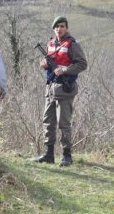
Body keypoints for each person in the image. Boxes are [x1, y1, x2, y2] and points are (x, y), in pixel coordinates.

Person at [34, 16, 87, 166]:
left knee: (64, 123)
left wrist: (65, 70)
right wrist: (43, 64)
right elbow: (47, 63)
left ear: (67, 28)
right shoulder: (50, 44)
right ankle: (48, 154)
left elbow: (82, 64)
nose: (59, 29)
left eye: (62, 26)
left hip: (65, 88)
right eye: (57, 26)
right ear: (54, 29)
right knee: (48, 122)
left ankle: (67, 155)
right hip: (50, 87)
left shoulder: (72, 44)